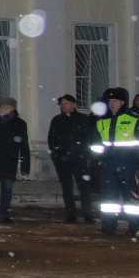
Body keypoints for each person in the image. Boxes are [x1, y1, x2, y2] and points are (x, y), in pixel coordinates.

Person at [92, 86, 139, 237]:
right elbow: (96, 144)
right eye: (110, 101)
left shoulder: (134, 119)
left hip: (129, 164)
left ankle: (135, 227)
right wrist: (97, 160)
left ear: (122, 102)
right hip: (108, 164)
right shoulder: (102, 121)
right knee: (109, 199)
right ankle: (108, 226)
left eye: (115, 101)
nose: (112, 104)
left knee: (131, 198)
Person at [46, 94, 95, 223]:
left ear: (74, 104)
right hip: (62, 160)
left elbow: (89, 138)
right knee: (67, 188)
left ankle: (87, 214)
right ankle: (71, 214)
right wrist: (56, 155)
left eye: (66, 103)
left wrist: (85, 154)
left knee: (84, 187)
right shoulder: (56, 120)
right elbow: (52, 139)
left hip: (80, 159)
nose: (63, 106)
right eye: (62, 104)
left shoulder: (83, 119)